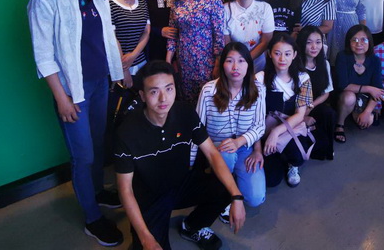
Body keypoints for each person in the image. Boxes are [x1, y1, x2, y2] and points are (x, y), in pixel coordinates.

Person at [27, 0, 124, 246]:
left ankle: (97, 192)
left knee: (97, 145)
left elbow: (107, 35)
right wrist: (62, 98)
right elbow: (43, 55)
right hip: (72, 91)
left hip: (100, 83)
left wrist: (119, 71)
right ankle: (92, 219)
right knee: (83, 155)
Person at [114, 61, 246, 250]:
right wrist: (145, 238)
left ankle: (192, 227)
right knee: (148, 245)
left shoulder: (185, 112)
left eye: (169, 89)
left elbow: (212, 153)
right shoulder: (127, 132)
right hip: (150, 197)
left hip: (181, 183)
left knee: (226, 186)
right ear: (142, 95)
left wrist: (236, 196)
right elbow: (125, 189)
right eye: (154, 92)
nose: (163, 98)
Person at [196, 42, 266, 224]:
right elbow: (197, 128)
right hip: (217, 148)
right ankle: (225, 197)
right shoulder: (209, 90)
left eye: (241, 61)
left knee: (256, 198)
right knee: (226, 153)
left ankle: (232, 179)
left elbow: (259, 126)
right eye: (229, 61)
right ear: (222, 65)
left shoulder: (258, 89)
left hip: (244, 148)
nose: (236, 67)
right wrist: (191, 163)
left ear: (249, 64)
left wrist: (242, 143)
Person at [256, 34, 314, 188]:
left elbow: (300, 115)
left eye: (287, 54)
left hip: (291, 129)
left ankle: (292, 165)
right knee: (272, 180)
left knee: (297, 155)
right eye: (277, 53)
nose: (282, 59)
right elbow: (255, 114)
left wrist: (276, 132)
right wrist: (267, 136)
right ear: (269, 54)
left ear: (294, 55)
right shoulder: (260, 78)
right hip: (265, 130)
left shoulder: (303, 78)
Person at [167, 0, 224, 103]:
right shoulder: (176, 1)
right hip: (183, 62)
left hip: (207, 63)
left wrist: (218, 64)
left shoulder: (213, 0)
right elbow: (173, 33)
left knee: (207, 102)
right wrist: (168, 61)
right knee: (185, 104)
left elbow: (219, 36)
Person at [335, 25, 384, 138]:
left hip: (364, 98)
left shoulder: (375, 60)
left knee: (366, 122)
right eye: (354, 40)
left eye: (363, 40)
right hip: (344, 96)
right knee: (349, 97)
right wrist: (369, 88)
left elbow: (378, 89)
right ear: (349, 42)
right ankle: (340, 124)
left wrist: (367, 112)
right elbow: (343, 85)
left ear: (369, 41)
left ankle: (358, 112)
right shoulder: (342, 56)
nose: (359, 44)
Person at [109, 0, 151, 88]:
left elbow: (146, 32)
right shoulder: (106, 2)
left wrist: (134, 55)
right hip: (120, 67)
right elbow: (111, 38)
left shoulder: (141, 2)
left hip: (141, 64)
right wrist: (123, 69)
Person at [223, 0, 275, 72]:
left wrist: (245, 60)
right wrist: (238, 62)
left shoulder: (265, 8)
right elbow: (227, 43)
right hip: (234, 64)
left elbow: (265, 41)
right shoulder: (225, 9)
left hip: (259, 63)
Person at [296, 26, 336, 158]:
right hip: (296, 107)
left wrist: (310, 106)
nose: (314, 47)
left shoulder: (324, 64)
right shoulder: (295, 65)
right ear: (302, 43)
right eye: (309, 42)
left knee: (328, 113)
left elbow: (326, 93)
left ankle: (324, 148)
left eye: (318, 42)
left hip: (314, 104)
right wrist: (302, 114)